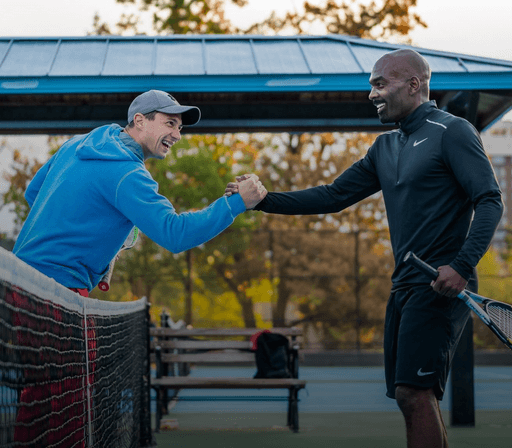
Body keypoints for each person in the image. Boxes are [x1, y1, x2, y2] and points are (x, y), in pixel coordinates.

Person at [226, 49, 503, 448]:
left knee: (415, 393)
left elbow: (491, 200)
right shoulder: (385, 147)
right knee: (411, 397)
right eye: (371, 85)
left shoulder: (453, 131)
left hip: (443, 286)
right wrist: (263, 200)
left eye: (379, 84)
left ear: (413, 85)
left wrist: (460, 267)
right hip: (404, 285)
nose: (372, 94)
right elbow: (332, 196)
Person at [13, 89, 267, 295]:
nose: (177, 135)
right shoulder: (127, 174)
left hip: (14, 279)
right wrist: (238, 203)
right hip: (58, 292)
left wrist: (93, 232)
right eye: (170, 123)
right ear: (140, 120)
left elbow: (35, 194)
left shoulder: (77, 143)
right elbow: (175, 233)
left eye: (180, 128)